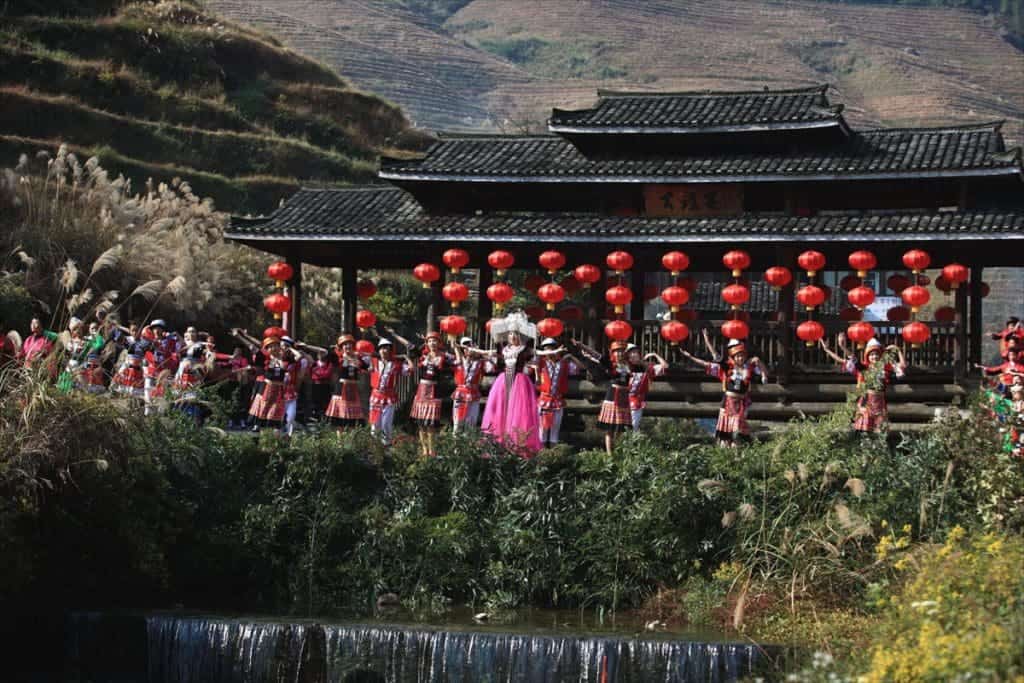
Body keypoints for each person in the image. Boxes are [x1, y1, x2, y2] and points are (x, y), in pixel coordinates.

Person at [681, 339, 766, 447]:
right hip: (728, 402)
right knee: (726, 433)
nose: (740, 358)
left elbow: (762, 368)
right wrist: (705, 342)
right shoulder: (727, 367)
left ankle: (738, 453)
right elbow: (713, 358)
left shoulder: (748, 369)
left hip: (741, 403)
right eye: (738, 356)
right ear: (733, 357)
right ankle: (725, 453)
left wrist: (763, 373)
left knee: (738, 432)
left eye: (742, 356)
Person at [481, 312, 542, 454]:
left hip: (519, 381)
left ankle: (517, 443)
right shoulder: (504, 349)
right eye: (510, 334)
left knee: (518, 411)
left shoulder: (525, 350)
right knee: (500, 408)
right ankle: (498, 441)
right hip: (503, 381)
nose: (512, 337)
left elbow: (539, 353)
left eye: (515, 334)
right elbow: (488, 353)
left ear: (520, 336)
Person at [821, 335, 906, 434]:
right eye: (872, 354)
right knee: (863, 429)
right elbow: (851, 358)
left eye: (876, 354)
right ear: (868, 356)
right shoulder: (864, 368)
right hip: (866, 400)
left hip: (880, 402)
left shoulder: (886, 370)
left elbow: (902, 368)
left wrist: (897, 350)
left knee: (879, 430)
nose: (874, 357)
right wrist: (840, 347)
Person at [393, 330, 451, 457]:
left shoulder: (443, 357)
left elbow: (457, 360)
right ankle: (424, 449)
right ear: (426, 343)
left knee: (431, 424)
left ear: (439, 343)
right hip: (422, 390)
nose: (432, 343)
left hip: (434, 391)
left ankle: (432, 449)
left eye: (435, 341)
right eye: (430, 341)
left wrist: (453, 341)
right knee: (421, 423)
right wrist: (395, 335)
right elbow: (409, 345)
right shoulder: (423, 356)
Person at [533, 337, 584, 447]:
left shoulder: (563, 364)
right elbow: (535, 354)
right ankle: (541, 454)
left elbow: (581, 367)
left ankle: (553, 455)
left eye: (552, 348)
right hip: (544, 400)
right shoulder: (540, 363)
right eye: (546, 349)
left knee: (555, 429)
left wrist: (570, 356)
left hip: (557, 401)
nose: (549, 352)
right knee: (542, 429)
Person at [367, 338, 411, 446]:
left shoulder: (396, 365)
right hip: (376, 396)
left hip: (389, 396)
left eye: (386, 349)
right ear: (379, 350)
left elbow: (410, 370)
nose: (384, 351)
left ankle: (386, 445)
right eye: (382, 349)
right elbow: (360, 357)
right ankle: (374, 446)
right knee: (375, 422)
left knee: (386, 422)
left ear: (390, 351)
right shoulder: (373, 362)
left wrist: (405, 358)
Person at [247, 335, 295, 433]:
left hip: (279, 389)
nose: (273, 348)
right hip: (267, 387)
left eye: (275, 345)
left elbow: (298, 357)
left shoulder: (285, 358)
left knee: (276, 411)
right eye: (270, 346)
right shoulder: (266, 358)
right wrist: (242, 336)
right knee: (263, 408)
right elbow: (253, 346)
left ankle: (275, 433)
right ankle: (259, 427)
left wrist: (290, 348)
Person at [324, 334, 370, 432]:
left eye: (349, 344)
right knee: (340, 418)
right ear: (341, 347)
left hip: (353, 389)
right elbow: (327, 354)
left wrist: (361, 355)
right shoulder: (339, 358)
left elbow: (367, 367)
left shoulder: (358, 359)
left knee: (353, 419)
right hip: (341, 389)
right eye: (345, 345)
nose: (347, 346)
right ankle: (340, 443)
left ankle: (350, 441)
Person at [597, 340, 632, 455]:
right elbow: (597, 356)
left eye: (621, 351)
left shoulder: (629, 365)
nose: (619, 354)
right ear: (613, 353)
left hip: (624, 396)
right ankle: (609, 454)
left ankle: (617, 449)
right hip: (612, 396)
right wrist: (583, 347)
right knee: (610, 427)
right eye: (617, 352)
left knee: (621, 427)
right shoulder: (610, 364)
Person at [624, 344, 669, 432]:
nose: (633, 355)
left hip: (636, 402)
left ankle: (630, 444)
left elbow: (665, 367)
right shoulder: (625, 367)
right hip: (622, 400)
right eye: (630, 353)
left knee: (633, 427)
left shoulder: (647, 367)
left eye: (635, 352)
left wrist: (655, 355)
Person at [451, 336, 491, 433]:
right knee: (457, 422)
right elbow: (458, 358)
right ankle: (455, 447)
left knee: (471, 422)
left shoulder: (480, 363)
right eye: (465, 347)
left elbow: (491, 364)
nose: (468, 348)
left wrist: (481, 353)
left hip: (473, 393)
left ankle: (468, 446)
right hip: (460, 393)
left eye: (470, 345)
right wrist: (456, 347)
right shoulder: (458, 361)